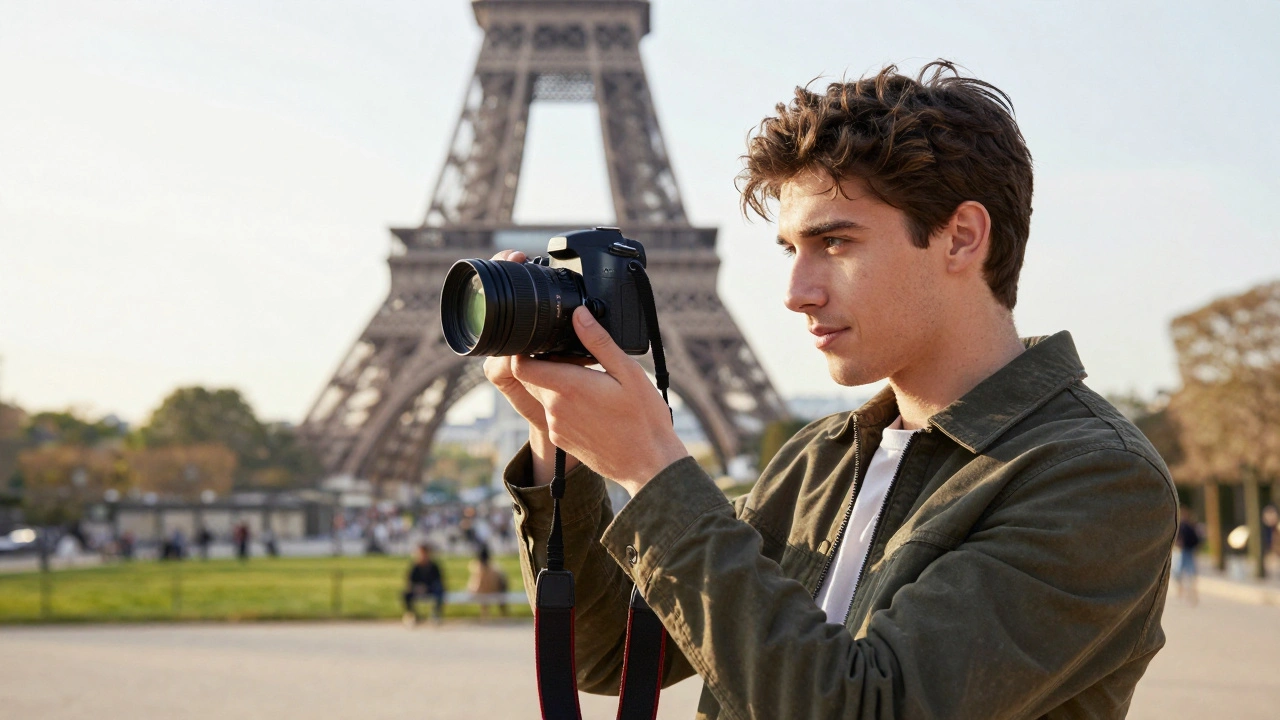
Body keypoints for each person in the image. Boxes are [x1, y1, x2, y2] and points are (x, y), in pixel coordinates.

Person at [487, 61, 1178, 718]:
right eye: (791, 250)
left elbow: (867, 708)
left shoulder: (1096, 476)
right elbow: (609, 652)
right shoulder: (818, 459)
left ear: (961, 238)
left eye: (836, 244)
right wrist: (559, 446)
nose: (796, 293)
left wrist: (652, 469)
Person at [403, 543, 445, 626]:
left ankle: (435, 614)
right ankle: (413, 615)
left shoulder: (433, 566)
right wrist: (417, 587)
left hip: (431, 589)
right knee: (405, 594)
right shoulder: (415, 567)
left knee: (440, 591)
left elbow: (439, 580)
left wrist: (427, 587)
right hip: (417, 589)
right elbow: (410, 581)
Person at [466, 545, 509, 619]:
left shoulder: (477, 568)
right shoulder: (495, 568)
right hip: (495, 591)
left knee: (483, 595)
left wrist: (470, 591)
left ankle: (485, 615)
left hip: (483, 592)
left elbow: (476, 584)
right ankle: (502, 614)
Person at [1174, 505, 1202, 606]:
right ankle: (1182, 591)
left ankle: (1189, 592)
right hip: (1183, 551)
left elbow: (1196, 539)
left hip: (1188, 551)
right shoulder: (1181, 526)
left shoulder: (1190, 526)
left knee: (1189, 573)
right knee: (1179, 572)